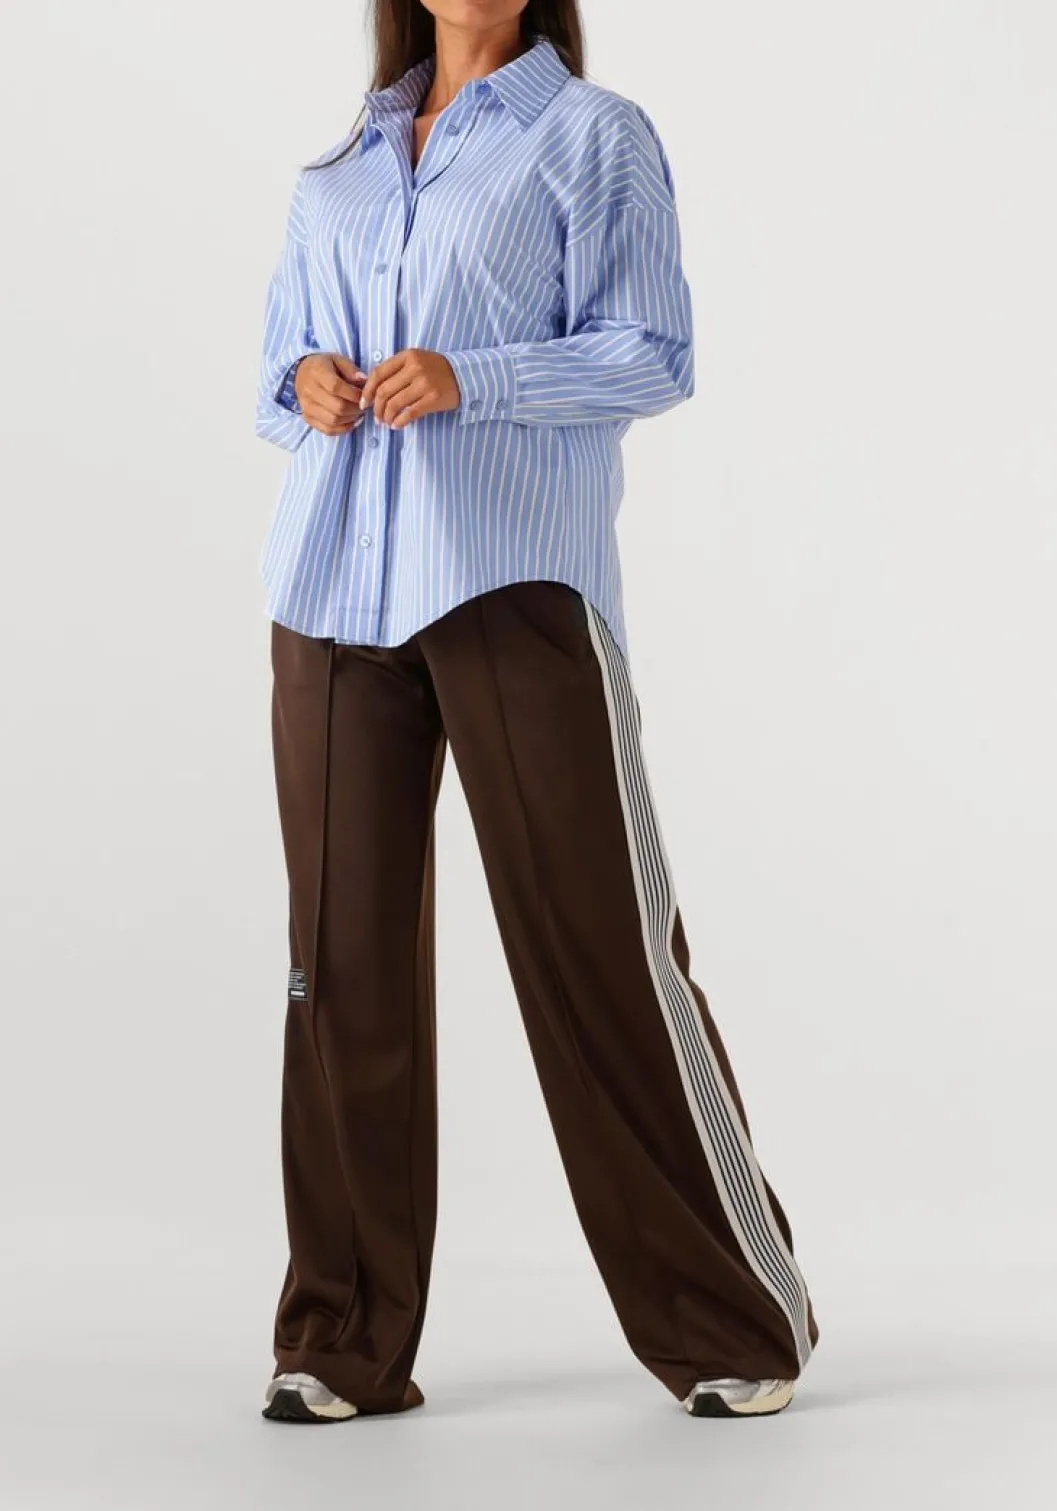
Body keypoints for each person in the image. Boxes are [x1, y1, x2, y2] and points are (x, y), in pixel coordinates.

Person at [254, 0, 818, 1424]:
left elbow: (654, 352)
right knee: (339, 971)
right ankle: (342, 1337)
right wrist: (304, 381)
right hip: (331, 594)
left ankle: (735, 1314)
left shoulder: (590, 138)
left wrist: (474, 378)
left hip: (511, 581)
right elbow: (275, 373)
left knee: (598, 952)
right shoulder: (340, 171)